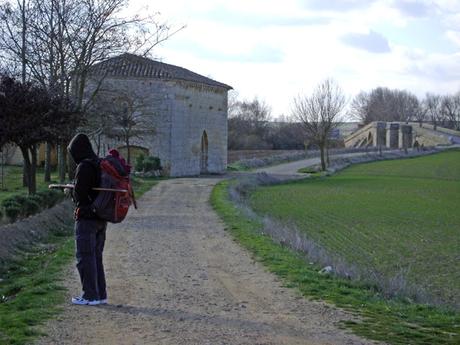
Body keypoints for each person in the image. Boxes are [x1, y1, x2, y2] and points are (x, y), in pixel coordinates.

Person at [67, 133, 107, 306]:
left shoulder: (84, 166)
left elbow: (80, 195)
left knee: (84, 257)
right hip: (100, 217)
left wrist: (71, 191)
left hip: (86, 219)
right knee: (96, 257)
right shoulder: (98, 163)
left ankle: (89, 296)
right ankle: (100, 294)